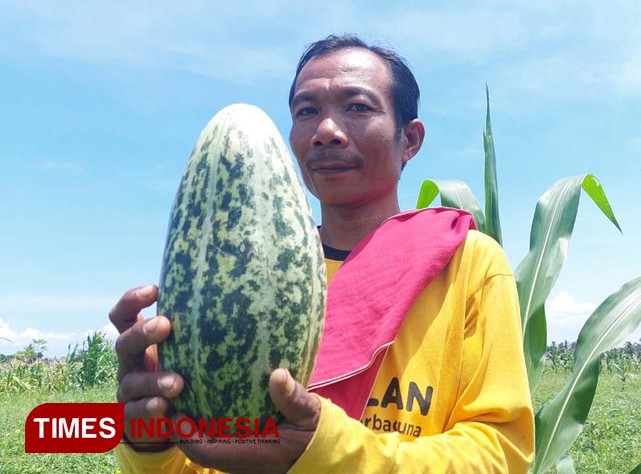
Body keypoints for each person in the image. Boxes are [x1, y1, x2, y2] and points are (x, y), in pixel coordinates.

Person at [110, 34, 534, 473]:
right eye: (306, 111)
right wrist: (151, 438)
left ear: (409, 139)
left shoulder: (466, 263)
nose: (325, 132)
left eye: (358, 107)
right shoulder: (240, 279)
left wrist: (328, 449)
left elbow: (501, 455)